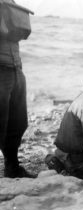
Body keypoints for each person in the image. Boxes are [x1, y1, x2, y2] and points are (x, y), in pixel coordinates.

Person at [0, 0, 34, 178]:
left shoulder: (10, 2)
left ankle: (12, 167)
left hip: (15, 69)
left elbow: (19, 32)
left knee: (18, 122)